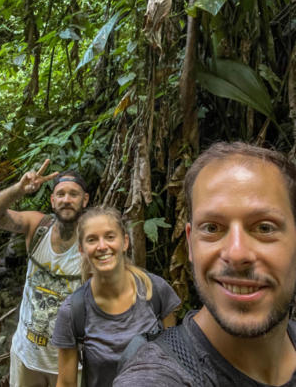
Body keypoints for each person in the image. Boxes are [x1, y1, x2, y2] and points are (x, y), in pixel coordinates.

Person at [114, 142, 296, 386]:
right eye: (212, 228)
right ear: (190, 244)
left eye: (264, 227)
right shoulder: (155, 375)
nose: (237, 253)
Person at [0, 159, 89, 387]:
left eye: (73, 194)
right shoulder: (38, 227)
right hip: (27, 356)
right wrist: (19, 189)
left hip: (72, 363)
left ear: (85, 200)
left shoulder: (93, 240)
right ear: (52, 200)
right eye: (60, 194)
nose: (66, 200)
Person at [51, 206, 181, 387]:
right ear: (81, 249)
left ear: (125, 242)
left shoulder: (156, 291)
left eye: (110, 237)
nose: (102, 246)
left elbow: (175, 362)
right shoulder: (74, 312)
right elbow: (66, 383)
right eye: (92, 240)